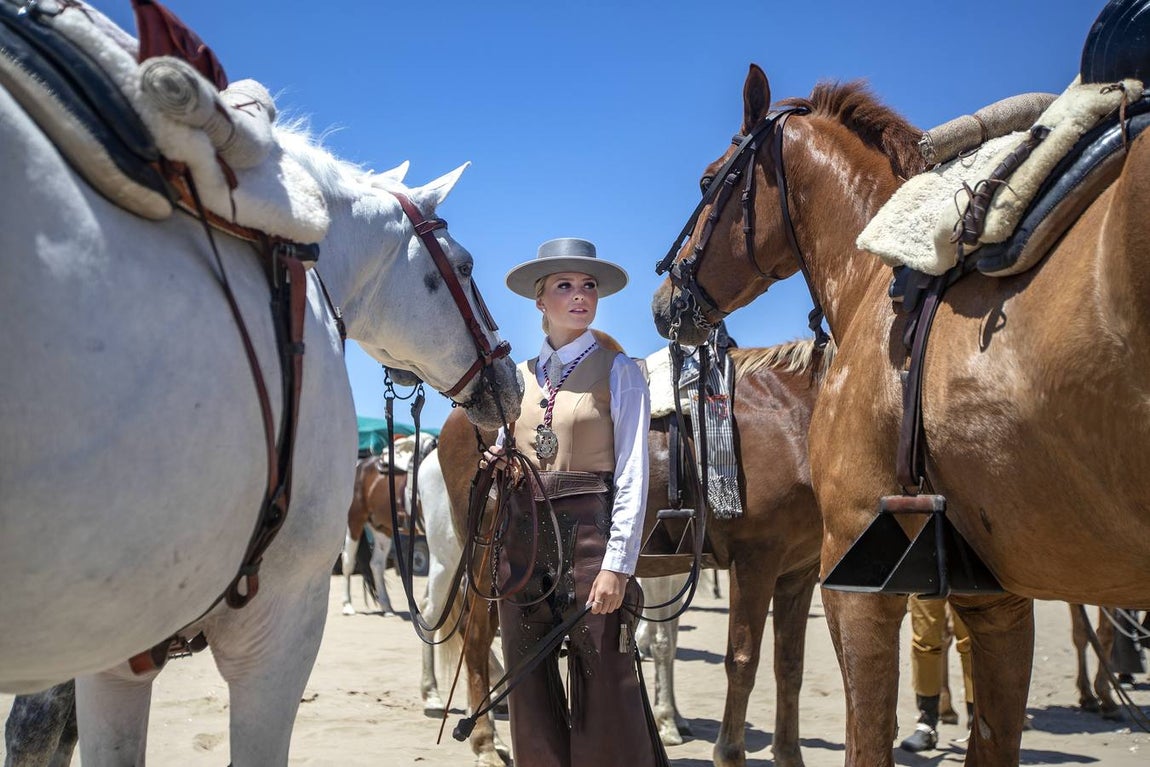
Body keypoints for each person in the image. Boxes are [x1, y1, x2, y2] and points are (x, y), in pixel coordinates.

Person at [483, 237, 667, 767]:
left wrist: (618, 565)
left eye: (588, 286)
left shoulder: (620, 371)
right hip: (521, 546)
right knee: (528, 689)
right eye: (565, 285)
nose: (580, 295)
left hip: (591, 539)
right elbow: (503, 460)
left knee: (605, 687)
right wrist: (493, 472)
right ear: (540, 300)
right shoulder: (515, 378)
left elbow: (633, 473)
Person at [900, 595, 975, 752]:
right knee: (925, 640)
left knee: (972, 641)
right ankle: (926, 724)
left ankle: (977, 722)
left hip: (969, 572)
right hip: (925, 572)